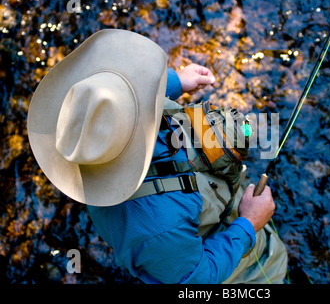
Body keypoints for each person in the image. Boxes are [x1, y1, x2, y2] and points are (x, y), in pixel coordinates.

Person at [27, 29, 287, 284]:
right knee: (267, 268)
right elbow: (197, 278)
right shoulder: (158, 228)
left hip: (201, 195)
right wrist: (248, 224)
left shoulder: (88, 137)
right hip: (230, 260)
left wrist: (173, 82)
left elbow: (124, 98)